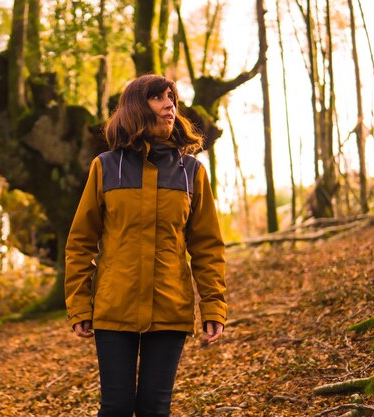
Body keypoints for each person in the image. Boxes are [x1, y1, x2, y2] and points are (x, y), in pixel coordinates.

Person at [64, 74, 227, 417]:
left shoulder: (191, 172)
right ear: (137, 107)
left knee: (155, 407)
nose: (170, 105)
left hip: (170, 307)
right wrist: (80, 304)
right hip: (114, 308)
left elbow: (207, 246)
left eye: (172, 99)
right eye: (160, 98)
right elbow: (80, 243)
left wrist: (213, 306)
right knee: (116, 407)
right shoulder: (106, 167)